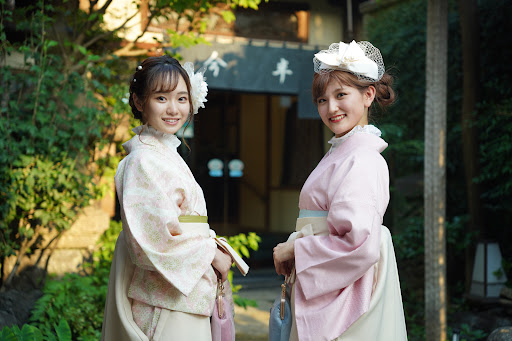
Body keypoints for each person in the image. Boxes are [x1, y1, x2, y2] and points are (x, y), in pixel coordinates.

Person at [101, 55, 248, 341]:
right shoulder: (143, 160)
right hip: (165, 298)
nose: (174, 109)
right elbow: (154, 237)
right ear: (140, 101)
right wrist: (210, 253)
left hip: (182, 290)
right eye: (161, 98)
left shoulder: (162, 153)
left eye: (182, 98)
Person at [272, 41, 408, 341]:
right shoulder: (346, 152)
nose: (330, 107)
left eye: (341, 95)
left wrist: (295, 248)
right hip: (326, 280)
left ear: (368, 95)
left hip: (345, 289)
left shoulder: (362, 158)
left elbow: (357, 241)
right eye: (322, 100)